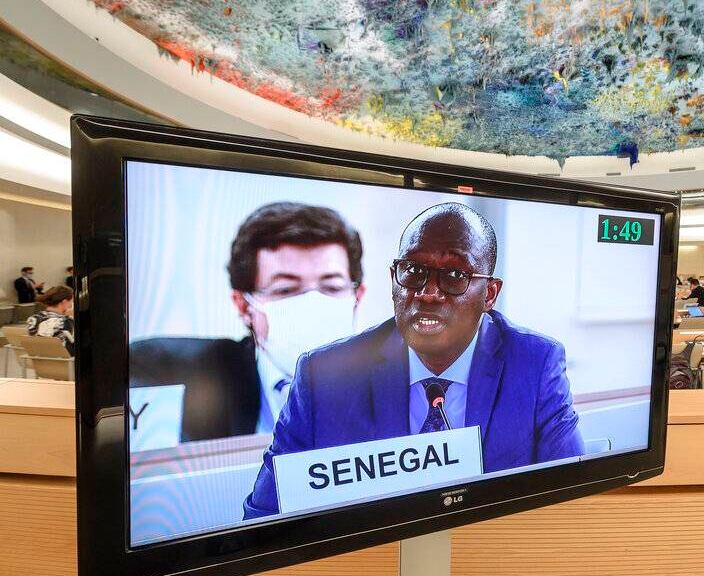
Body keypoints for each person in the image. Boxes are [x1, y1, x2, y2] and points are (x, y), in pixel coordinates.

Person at [243, 203, 584, 519]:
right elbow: (263, 518)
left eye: (455, 276)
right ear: (394, 278)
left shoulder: (534, 364)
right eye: (414, 270)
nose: (427, 293)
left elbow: (571, 503)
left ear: (489, 295)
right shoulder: (324, 376)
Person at [130, 202, 366, 441]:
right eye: (285, 290)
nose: (312, 305)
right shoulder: (169, 372)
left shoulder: (388, 378)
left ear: (357, 297)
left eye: (332, 287)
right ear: (244, 305)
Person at [27, 286, 75, 355]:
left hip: (39, 359)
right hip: (64, 360)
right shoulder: (66, 321)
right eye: (71, 302)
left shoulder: (33, 319)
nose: (71, 305)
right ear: (64, 302)